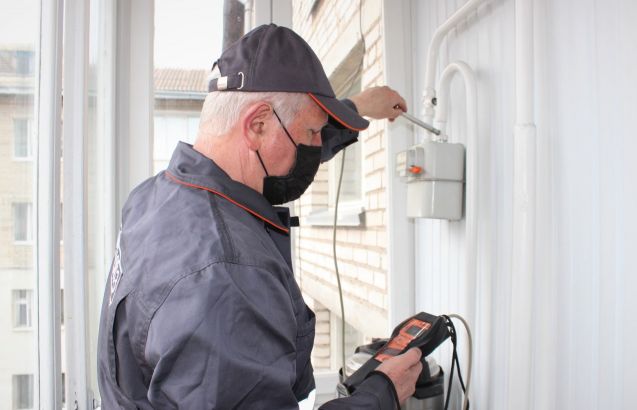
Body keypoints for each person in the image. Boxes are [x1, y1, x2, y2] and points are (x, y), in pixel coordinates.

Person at [98, 24, 422, 409]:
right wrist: (382, 393)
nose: (316, 147)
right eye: (313, 132)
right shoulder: (227, 276)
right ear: (257, 125)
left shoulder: (154, 197)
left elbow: (287, 144)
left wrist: (357, 107)